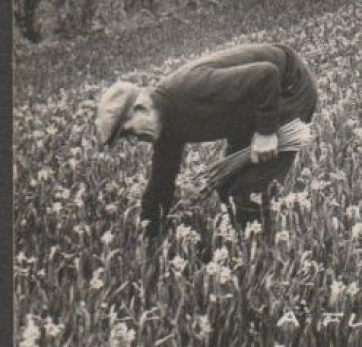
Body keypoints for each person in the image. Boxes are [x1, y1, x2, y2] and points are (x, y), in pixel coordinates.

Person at [93, 43, 319, 240]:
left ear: (141, 106)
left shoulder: (190, 88)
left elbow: (266, 75)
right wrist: (150, 233)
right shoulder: (165, 126)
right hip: (247, 107)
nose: (137, 140)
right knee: (226, 184)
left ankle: (263, 256)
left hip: (288, 87)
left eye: (131, 132)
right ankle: (245, 241)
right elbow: (161, 182)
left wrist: (267, 132)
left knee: (246, 191)